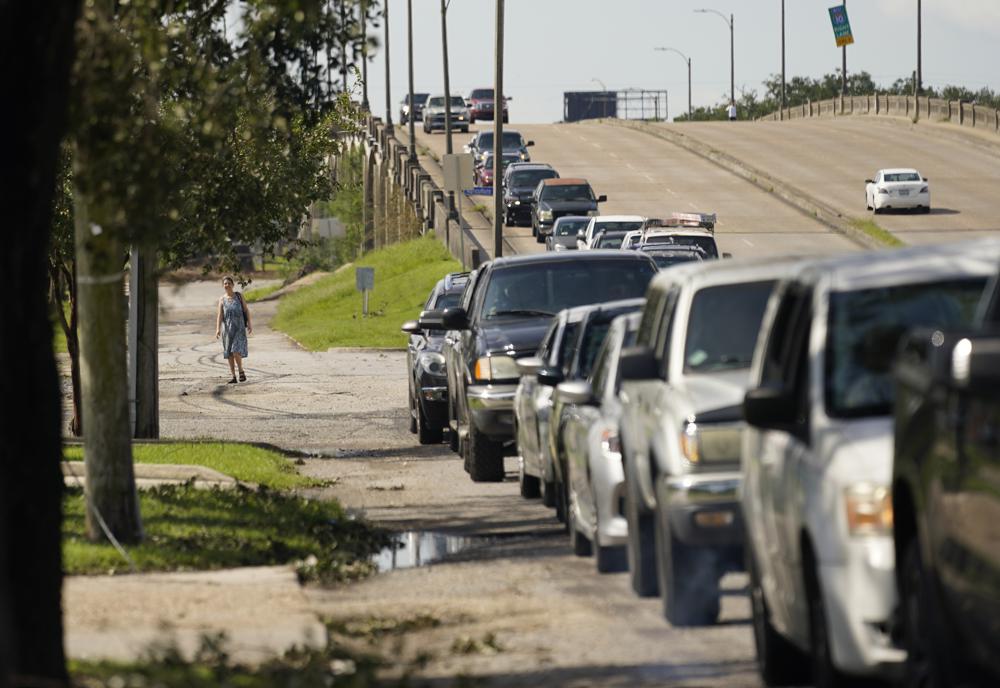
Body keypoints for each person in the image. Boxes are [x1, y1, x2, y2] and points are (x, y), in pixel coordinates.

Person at [215, 276, 252, 383]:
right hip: (227, 329)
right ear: (223, 286)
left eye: (229, 283)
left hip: (239, 328)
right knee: (229, 353)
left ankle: (241, 371)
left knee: (235, 350)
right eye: (225, 284)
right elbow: (220, 315)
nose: (227, 285)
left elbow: (246, 310)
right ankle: (233, 376)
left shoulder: (239, 296)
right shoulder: (222, 299)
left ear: (232, 284)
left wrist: (249, 324)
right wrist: (217, 329)